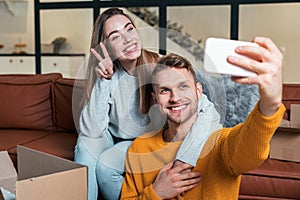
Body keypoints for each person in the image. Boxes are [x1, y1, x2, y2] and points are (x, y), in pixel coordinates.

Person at [74, 8, 221, 200]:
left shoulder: (160, 66)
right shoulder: (107, 74)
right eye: (115, 36)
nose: (128, 39)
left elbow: (207, 110)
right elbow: (92, 131)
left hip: (147, 141)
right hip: (115, 138)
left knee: (106, 166)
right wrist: (104, 80)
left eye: (130, 29)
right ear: (106, 47)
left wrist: (185, 158)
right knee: (85, 146)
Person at [121, 37, 285, 199]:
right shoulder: (139, 148)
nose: (175, 98)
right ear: (155, 99)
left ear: (199, 91)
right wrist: (156, 193)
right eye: (165, 90)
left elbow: (250, 151)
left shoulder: (220, 143)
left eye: (183, 86)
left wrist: (270, 104)